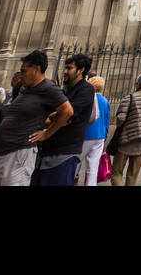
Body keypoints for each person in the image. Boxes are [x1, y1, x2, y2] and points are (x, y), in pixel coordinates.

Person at [0, 50, 73, 186]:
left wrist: (46, 134)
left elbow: (67, 111)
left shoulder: (49, 88)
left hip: (19, 152)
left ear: (36, 69)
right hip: (1, 151)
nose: (21, 76)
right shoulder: (25, 89)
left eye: (24, 71)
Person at [33, 52, 95, 186]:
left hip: (65, 153)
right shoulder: (65, 89)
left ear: (81, 70)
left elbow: (67, 115)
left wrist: (52, 122)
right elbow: (48, 113)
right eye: (65, 68)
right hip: (47, 152)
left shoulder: (86, 89)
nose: (64, 72)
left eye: (69, 68)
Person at [110, 72, 141, 186]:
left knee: (117, 173)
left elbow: (121, 119)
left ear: (137, 84)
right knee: (133, 175)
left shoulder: (129, 98)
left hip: (126, 139)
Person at [82, 75, 110, 186]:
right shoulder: (105, 101)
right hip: (99, 135)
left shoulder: (88, 98)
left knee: (76, 162)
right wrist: (105, 136)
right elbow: (106, 121)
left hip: (86, 134)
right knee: (93, 166)